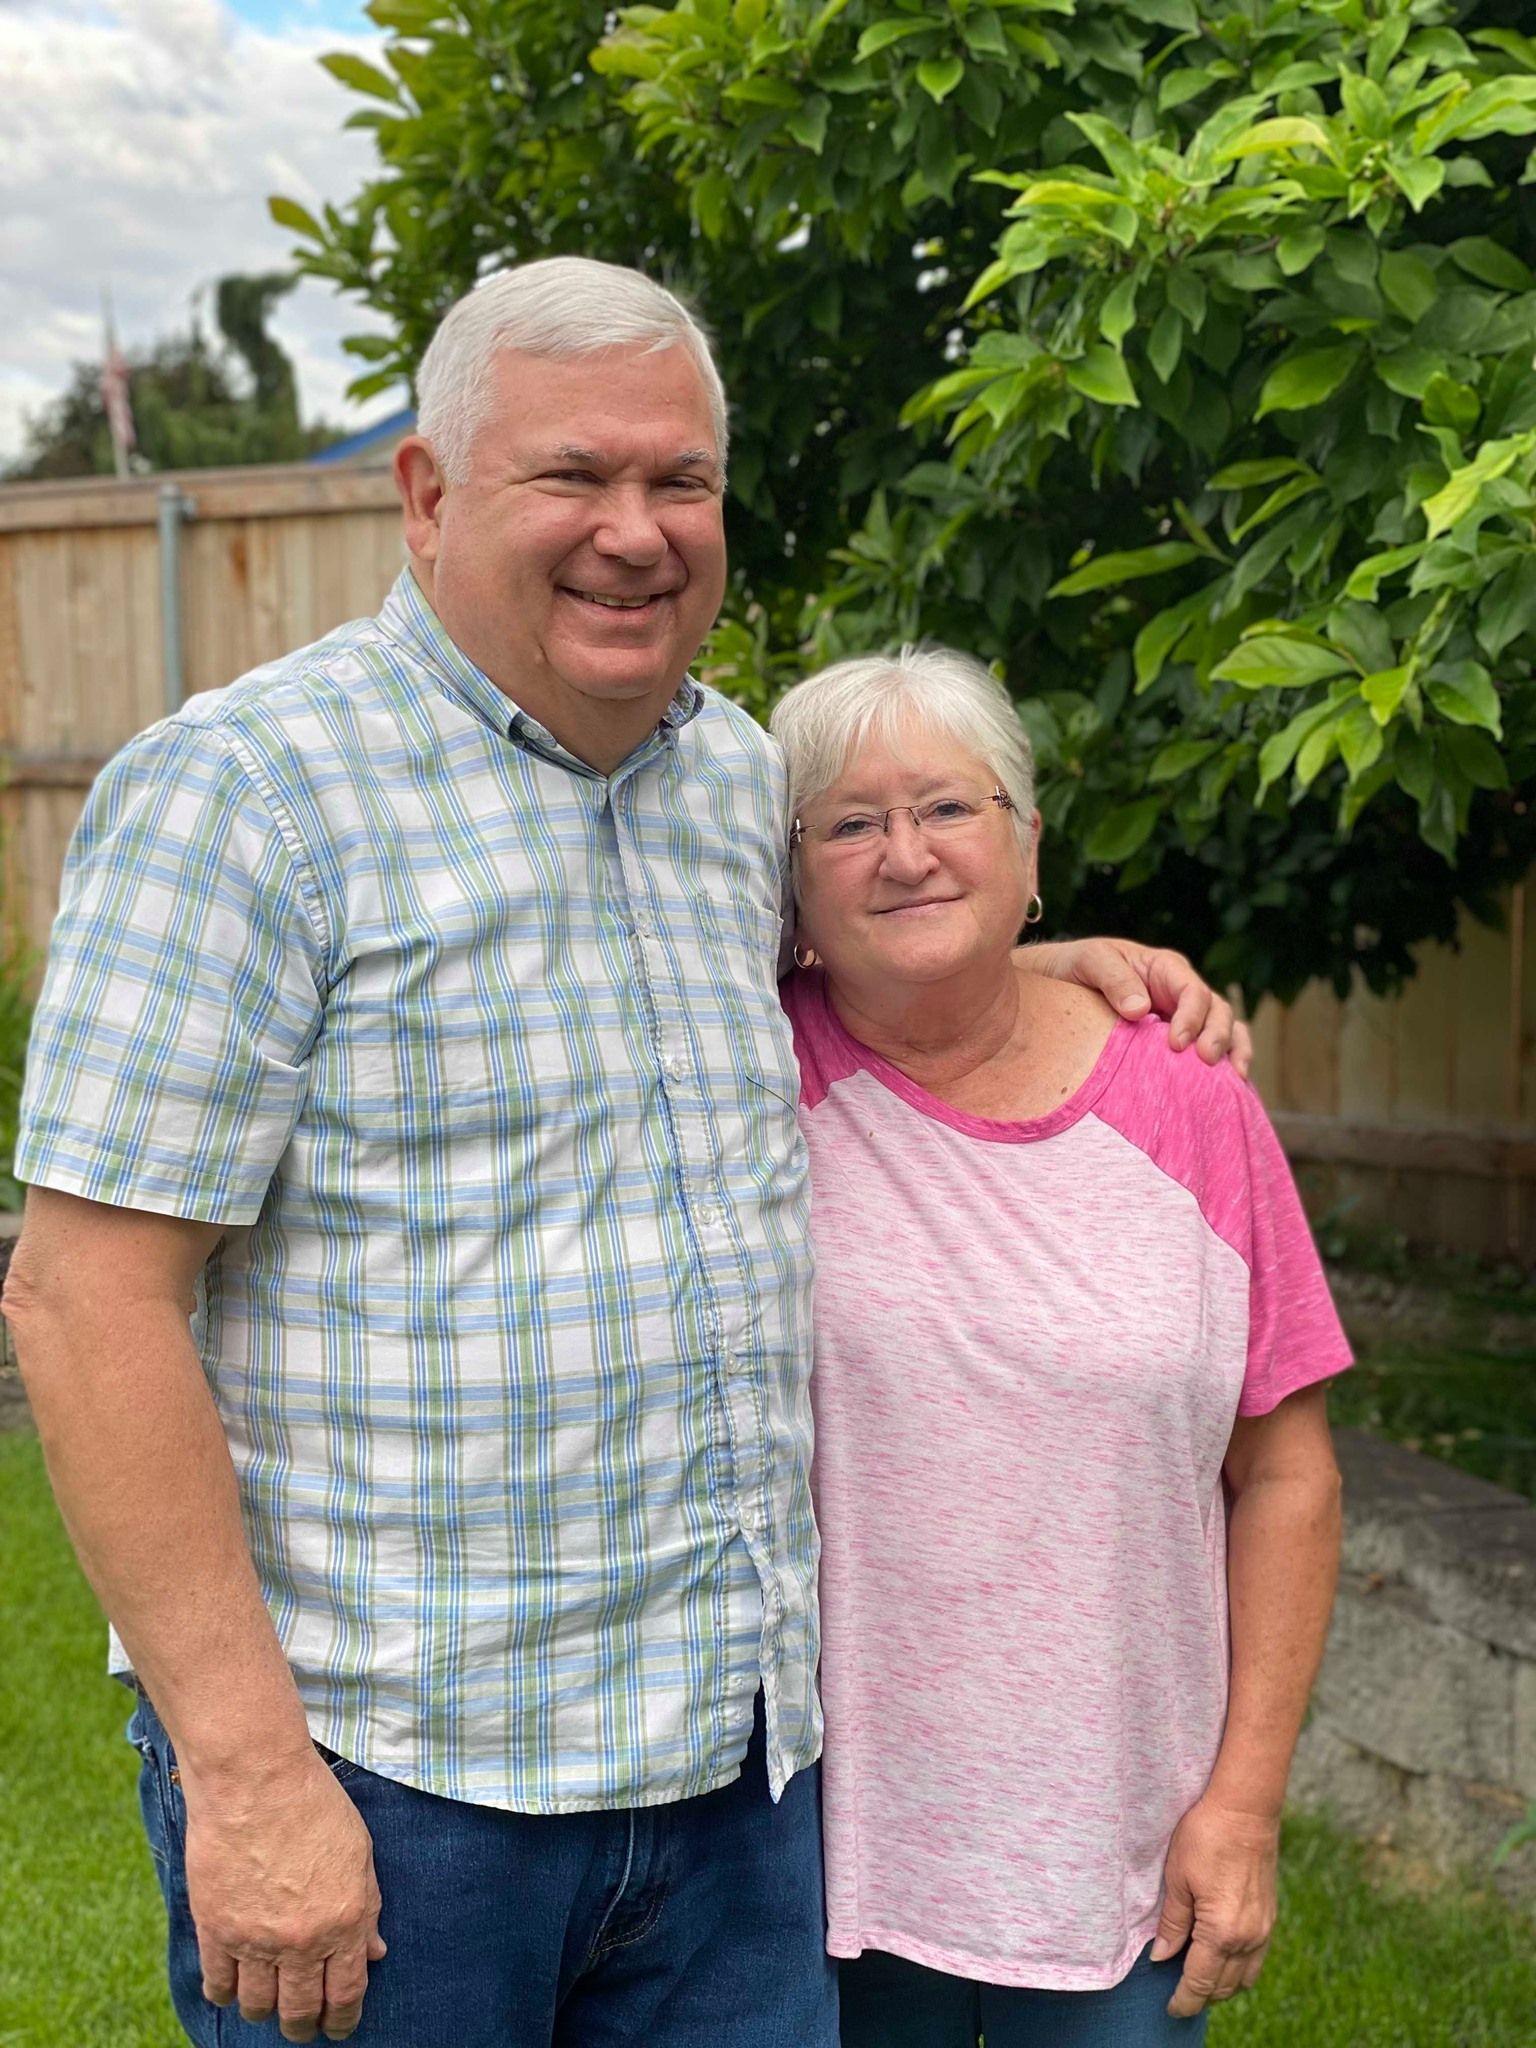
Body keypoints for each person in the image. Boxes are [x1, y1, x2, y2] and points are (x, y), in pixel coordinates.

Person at [6, 259, 1244, 2048]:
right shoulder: (246, 799)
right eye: (573, 478)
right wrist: (251, 1779)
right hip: (400, 1794)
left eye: (681, 484)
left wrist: (1027, 961)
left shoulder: (732, 784)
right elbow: (83, 1299)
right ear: (428, 496)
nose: (635, 533)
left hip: (735, 1791)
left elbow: (834, 983)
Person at [768, 646, 1350, 2048]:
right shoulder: (750, 1074)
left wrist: (1246, 1803)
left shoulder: (1191, 1101)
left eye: (951, 810)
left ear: (1031, 846)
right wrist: (1019, 953)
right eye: (848, 823)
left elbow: (1288, 1478)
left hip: (1121, 1855)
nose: (905, 854)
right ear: (789, 890)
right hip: (816, 1858)